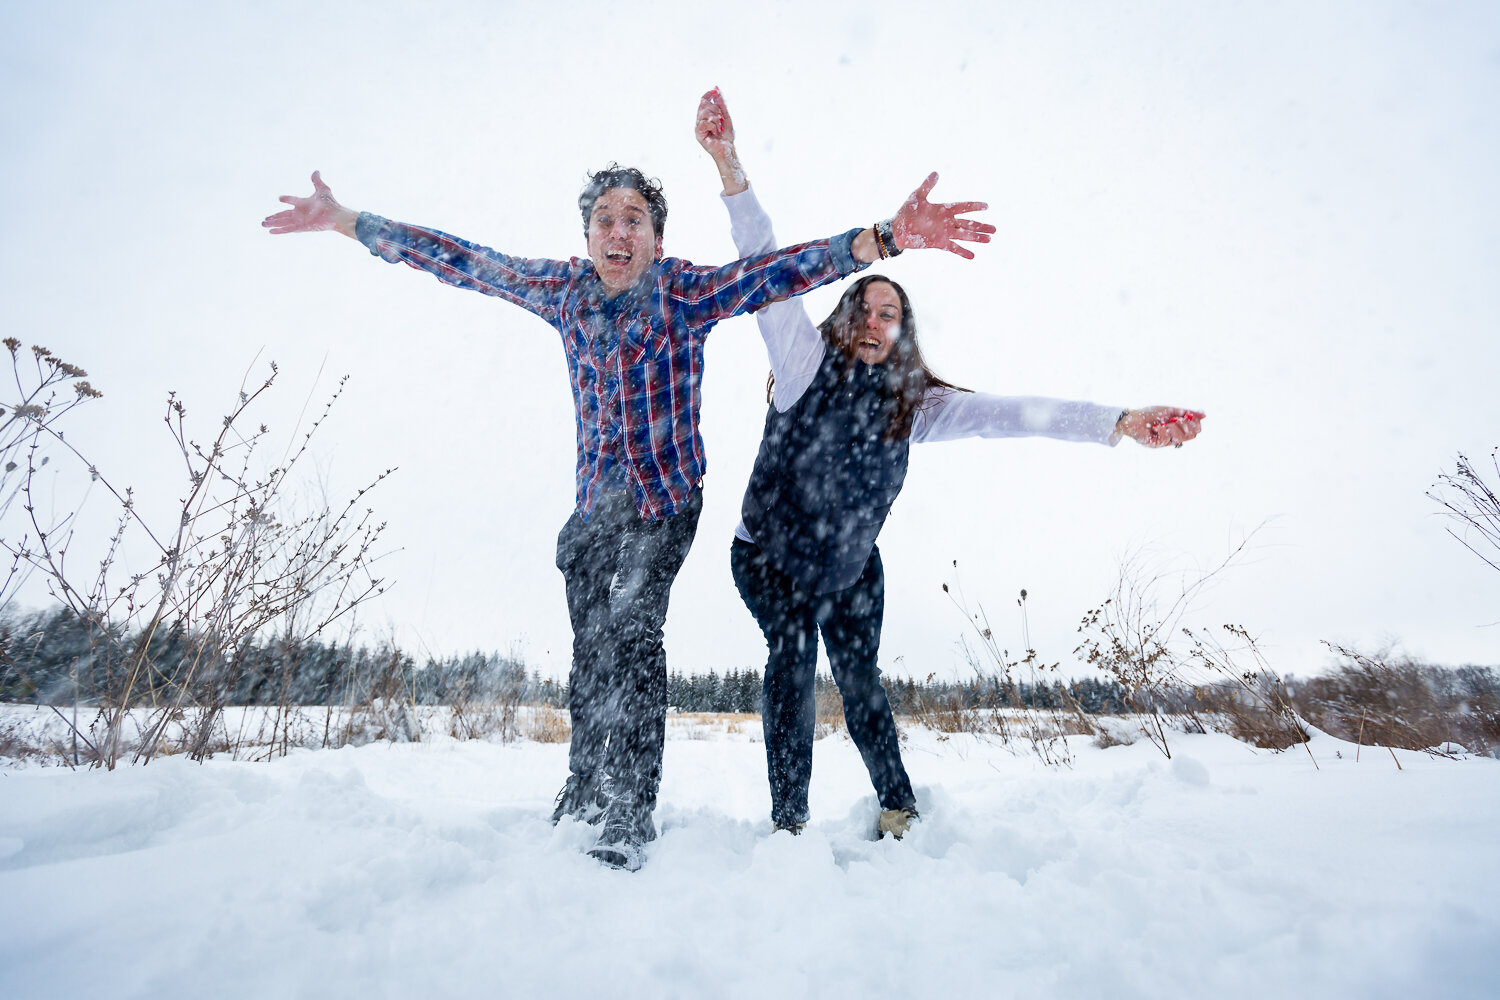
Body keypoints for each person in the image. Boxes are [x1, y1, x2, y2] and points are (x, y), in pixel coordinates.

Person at [262, 160, 993, 869]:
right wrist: (349, 223)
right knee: (591, 647)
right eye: (605, 220)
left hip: (666, 501)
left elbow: (779, 272)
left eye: (634, 220)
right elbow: (462, 260)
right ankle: (583, 782)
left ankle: (630, 810)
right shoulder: (563, 291)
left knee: (634, 625)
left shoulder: (684, 294)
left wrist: (886, 237)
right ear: (586, 238)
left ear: (657, 240)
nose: (619, 232)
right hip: (595, 508)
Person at [694, 89, 1204, 839]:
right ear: (841, 320)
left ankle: (899, 808)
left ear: (903, 335)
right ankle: (789, 825)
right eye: (862, 308)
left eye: (889, 314)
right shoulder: (802, 364)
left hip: (850, 567)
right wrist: (729, 164)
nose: (873, 320)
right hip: (767, 557)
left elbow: (1012, 415)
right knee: (794, 653)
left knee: (862, 681)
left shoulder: (915, 410)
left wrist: (1119, 423)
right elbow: (763, 264)